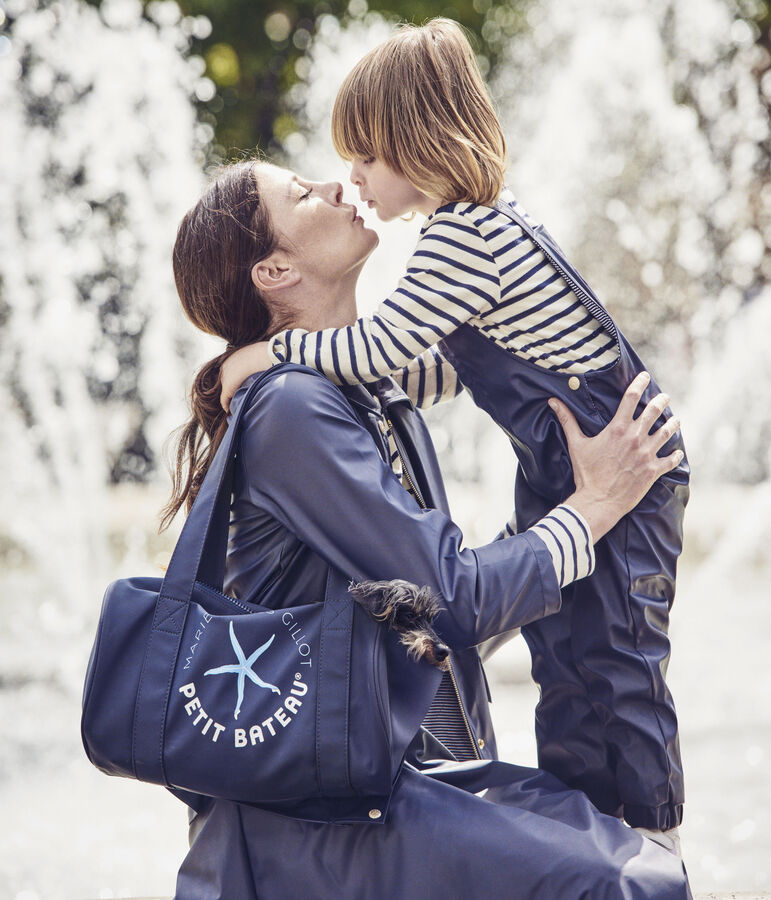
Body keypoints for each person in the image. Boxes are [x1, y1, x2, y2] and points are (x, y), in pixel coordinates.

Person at [161, 157, 691, 898]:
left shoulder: (367, 395)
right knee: (631, 883)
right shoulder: (292, 410)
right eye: (300, 193)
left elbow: (428, 614)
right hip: (331, 822)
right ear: (275, 270)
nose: (336, 184)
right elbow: (452, 598)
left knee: (631, 855)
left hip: (401, 786)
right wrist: (592, 507)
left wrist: (576, 509)